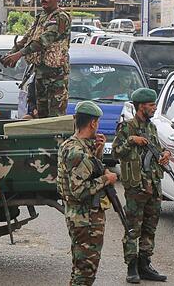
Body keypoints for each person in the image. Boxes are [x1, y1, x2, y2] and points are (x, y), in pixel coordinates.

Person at [112, 88, 170, 283]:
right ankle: (131, 267)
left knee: (150, 227)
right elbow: (116, 153)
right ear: (141, 106)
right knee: (132, 228)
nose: (154, 108)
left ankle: (145, 264)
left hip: (153, 185)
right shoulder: (127, 127)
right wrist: (131, 140)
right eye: (151, 105)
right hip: (136, 187)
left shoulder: (151, 127)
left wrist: (163, 156)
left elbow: (156, 149)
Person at [57, 101, 117, 286]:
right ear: (93, 123)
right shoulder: (78, 152)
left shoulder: (72, 144)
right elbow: (79, 190)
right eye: (97, 122)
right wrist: (107, 179)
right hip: (85, 220)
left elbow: (89, 170)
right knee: (85, 273)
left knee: (80, 269)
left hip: (80, 217)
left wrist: (98, 150)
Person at [2, 0, 71, 118]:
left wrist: (19, 55)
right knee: (40, 118)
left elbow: (43, 41)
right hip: (40, 76)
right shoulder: (41, 18)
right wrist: (10, 54)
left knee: (54, 119)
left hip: (55, 78)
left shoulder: (61, 17)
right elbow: (27, 38)